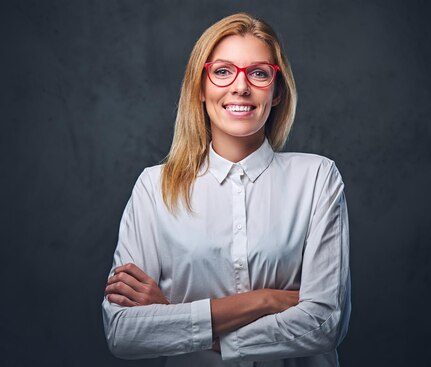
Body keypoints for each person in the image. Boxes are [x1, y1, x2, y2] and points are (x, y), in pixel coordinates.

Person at [101, 12, 351, 366]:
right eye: (222, 71)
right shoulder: (153, 187)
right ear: (200, 89)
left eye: (259, 73)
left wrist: (173, 317)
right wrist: (264, 300)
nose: (240, 87)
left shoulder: (317, 178)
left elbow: (326, 323)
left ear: (277, 92)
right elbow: (123, 332)